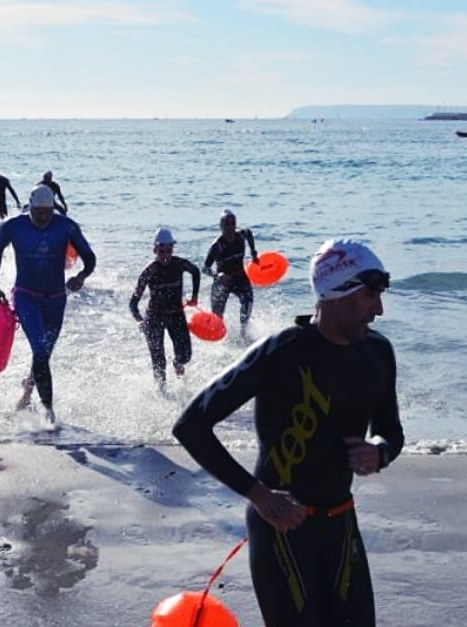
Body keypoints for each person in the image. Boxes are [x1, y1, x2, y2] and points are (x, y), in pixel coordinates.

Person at [173, 238, 402, 627]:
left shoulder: (377, 353)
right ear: (336, 293)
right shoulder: (281, 351)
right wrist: (258, 494)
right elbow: (191, 425)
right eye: (369, 297)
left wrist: (378, 452)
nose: (378, 309)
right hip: (280, 527)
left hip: (341, 523)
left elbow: (390, 431)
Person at [0, 185, 96, 425]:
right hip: (26, 295)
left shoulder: (65, 226)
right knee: (39, 349)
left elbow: (90, 257)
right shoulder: (15, 226)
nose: (44, 217)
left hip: (56, 299)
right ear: (31, 207)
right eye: (39, 213)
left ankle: (27, 390)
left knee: (44, 353)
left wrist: (81, 277)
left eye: (48, 213)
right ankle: (48, 411)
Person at [129, 227, 200, 393]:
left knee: (186, 355)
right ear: (155, 250)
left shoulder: (179, 264)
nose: (166, 255)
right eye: (161, 251)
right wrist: (140, 320)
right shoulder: (149, 271)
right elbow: (133, 303)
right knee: (158, 361)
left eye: (169, 250)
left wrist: (195, 296)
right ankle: (162, 394)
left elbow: (195, 271)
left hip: (176, 314)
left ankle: (177, 362)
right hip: (154, 318)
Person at [202, 209, 258, 339]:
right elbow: (204, 268)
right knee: (217, 316)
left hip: (239, 276)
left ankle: (243, 333)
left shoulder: (241, 236)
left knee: (248, 302)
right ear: (220, 227)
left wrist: (253, 252)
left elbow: (249, 233)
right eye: (226, 224)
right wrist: (217, 275)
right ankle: (218, 339)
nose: (229, 228)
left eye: (232, 224)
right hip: (222, 281)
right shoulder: (217, 246)